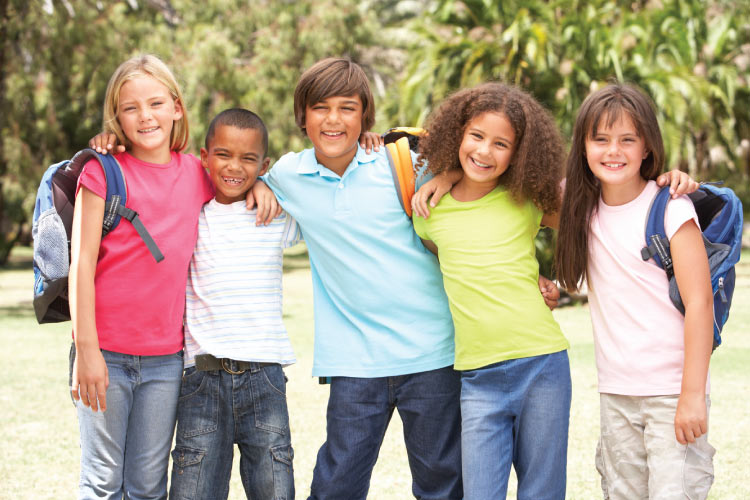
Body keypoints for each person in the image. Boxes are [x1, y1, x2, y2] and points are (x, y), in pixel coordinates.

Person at [253, 57, 463, 500]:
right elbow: (236, 174)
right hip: (354, 362)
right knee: (335, 485)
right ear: (302, 117)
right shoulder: (289, 174)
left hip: (431, 353)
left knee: (442, 484)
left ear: (365, 116)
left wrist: (449, 172)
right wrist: (259, 184)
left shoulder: (398, 161)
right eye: (320, 108)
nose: (333, 120)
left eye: (347, 108)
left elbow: (475, 169)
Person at [411, 82, 572, 500]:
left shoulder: (529, 200)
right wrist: (445, 174)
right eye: (477, 136)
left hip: (542, 366)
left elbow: (595, 200)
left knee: (542, 492)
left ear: (520, 154)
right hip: (478, 377)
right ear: (458, 134)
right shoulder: (430, 212)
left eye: (502, 144)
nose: (485, 152)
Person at [554, 83, 715, 500]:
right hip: (616, 394)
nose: (614, 151)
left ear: (647, 147)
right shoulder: (576, 206)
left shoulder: (671, 207)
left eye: (628, 139)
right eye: (601, 139)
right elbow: (502, 191)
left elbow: (699, 303)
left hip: (671, 393)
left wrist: (693, 395)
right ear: (583, 147)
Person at [69, 54, 213, 498]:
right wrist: (87, 352)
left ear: (177, 107)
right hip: (104, 355)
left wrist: (262, 186)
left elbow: (240, 176)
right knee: (103, 481)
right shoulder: (101, 172)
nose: (145, 116)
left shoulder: (196, 174)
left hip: (166, 361)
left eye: (155, 103)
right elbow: (81, 265)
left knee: (149, 485)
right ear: (117, 116)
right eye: (131, 108)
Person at [166, 108, 301, 500]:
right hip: (201, 380)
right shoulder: (191, 213)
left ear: (264, 165)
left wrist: (269, 184)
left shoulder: (276, 215)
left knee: (275, 489)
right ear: (204, 157)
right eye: (223, 155)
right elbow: (157, 167)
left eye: (248, 159)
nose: (234, 167)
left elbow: (317, 179)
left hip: (265, 378)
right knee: (193, 491)